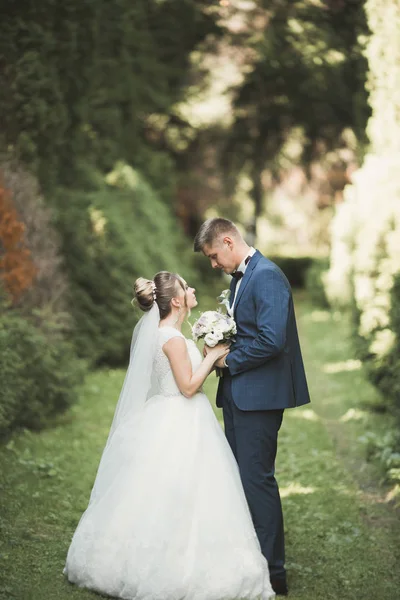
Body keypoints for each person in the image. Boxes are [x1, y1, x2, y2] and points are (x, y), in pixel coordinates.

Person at [64, 271, 275, 600]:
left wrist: (207, 354)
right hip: (181, 417)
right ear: (176, 301)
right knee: (180, 490)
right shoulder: (173, 340)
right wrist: (212, 357)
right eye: (186, 287)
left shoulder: (171, 334)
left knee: (164, 490)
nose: (192, 289)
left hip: (172, 415)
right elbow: (189, 387)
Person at [194, 218, 311, 596]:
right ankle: (248, 559)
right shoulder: (243, 277)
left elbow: (272, 340)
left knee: (256, 480)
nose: (214, 264)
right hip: (240, 395)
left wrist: (228, 361)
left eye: (214, 256)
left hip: (258, 398)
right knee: (240, 479)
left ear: (228, 241)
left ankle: (273, 572)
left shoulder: (267, 276)